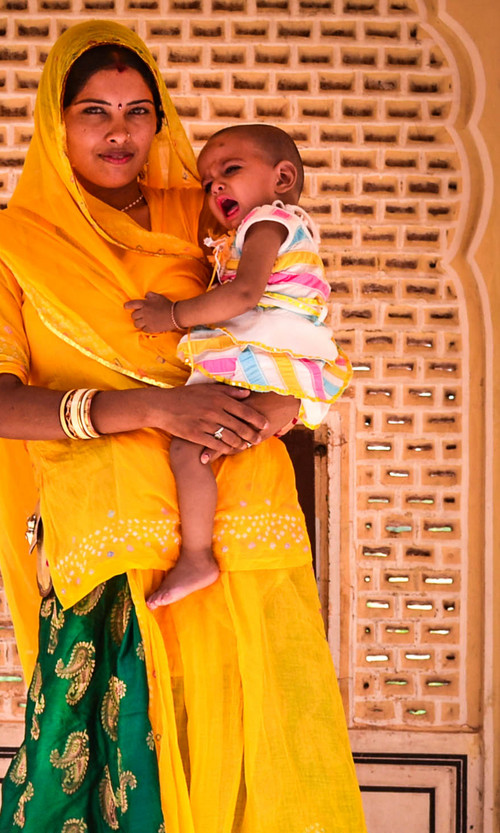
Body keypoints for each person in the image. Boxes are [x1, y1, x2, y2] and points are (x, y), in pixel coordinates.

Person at [0, 20, 416, 833]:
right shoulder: (7, 242)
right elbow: (2, 405)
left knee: (257, 781)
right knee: (121, 797)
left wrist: (278, 413)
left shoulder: (215, 213)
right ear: (57, 121)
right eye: (93, 110)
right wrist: (153, 404)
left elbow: (291, 317)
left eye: (138, 111)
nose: (118, 131)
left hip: (245, 521)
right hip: (114, 544)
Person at [125, 124, 351, 609]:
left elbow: (245, 294)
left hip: (269, 368)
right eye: (207, 183)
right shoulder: (268, 229)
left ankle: (197, 555)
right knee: (194, 452)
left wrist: (173, 315)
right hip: (274, 372)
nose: (216, 187)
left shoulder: (265, 224)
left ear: (282, 177)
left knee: (189, 453)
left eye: (230, 170)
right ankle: (199, 556)